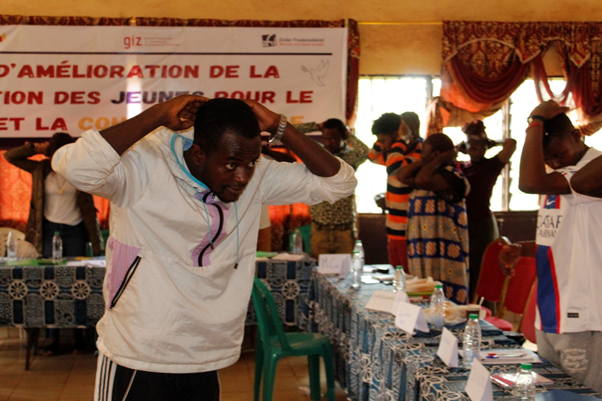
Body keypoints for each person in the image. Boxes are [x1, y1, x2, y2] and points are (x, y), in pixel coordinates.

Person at [52, 95, 357, 399]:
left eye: (251, 162)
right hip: (139, 351)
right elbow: (76, 168)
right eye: (231, 164)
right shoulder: (143, 166)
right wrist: (157, 115)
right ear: (198, 153)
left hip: (206, 350)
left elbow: (340, 183)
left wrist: (280, 127)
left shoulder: (257, 177)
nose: (243, 176)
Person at [499, 100, 602, 393]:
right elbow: (561, 237)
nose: (555, 163)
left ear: (577, 136)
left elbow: (528, 182)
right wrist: (523, 248)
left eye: (558, 154)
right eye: (548, 160)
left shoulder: (592, 171)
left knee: (583, 398)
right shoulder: (558, 179)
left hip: (586, 318)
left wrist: (535, 120)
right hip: (552, 312)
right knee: (553, 397)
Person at [4, 133, 103, 356]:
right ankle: (53, 340)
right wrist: (34, 147)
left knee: (77, 285)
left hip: (76, 231)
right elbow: (10, 156)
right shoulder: (40, 169)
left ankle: (78, 340)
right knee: (51, 284)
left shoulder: (78, 171)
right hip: (48, 231)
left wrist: (97, 246)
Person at [398, 133, 470, 304]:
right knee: (422, 294)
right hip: (423, 248)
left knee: (446, 299)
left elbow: (423, 180)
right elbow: (401, 176)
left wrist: (438, 161)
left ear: (437, 154)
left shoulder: (452, 177)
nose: (420, 155)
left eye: (424, 152)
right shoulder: (427, 172)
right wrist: (428, 160)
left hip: (444, 251)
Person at [457, 120, 516, 301]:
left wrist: (492, 142)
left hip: (482, 224)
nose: (478, 152)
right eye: (473, 148)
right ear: (466, 149)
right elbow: (446, 152)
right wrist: (460, 146)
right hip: (462, 224)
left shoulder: (491, 165)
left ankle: (484, 309)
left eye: (481, 148)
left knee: (482, 268)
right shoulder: (461, 166)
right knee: (464, 268)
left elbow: (511, 144)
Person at [368, 112, 422, 269]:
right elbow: (371, 156)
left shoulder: (418, 155)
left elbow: (394, 169)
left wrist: (401, 139)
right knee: (397, 276)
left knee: (409, 278)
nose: (382, 146)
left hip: (408, 230)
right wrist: (387, 141)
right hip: (392, 228)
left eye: (383, 141)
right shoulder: (394, 154)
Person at [309, 118, 369, 257]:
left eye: (334, 139)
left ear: (343, 136)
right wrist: (315, 125)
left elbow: (365, 152)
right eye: (325, 138)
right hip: (319, 229)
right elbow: (288, 132)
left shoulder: (350, 158)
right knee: (319, 274)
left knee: (346, 274)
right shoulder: (317, 155)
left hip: (344, 231)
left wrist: (350, 135)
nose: (329, 143)